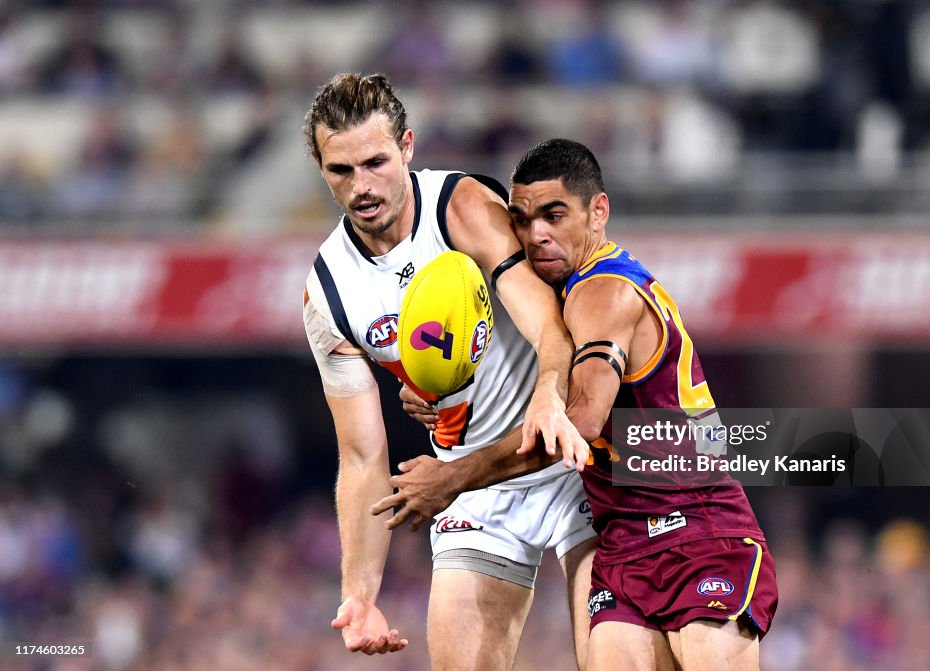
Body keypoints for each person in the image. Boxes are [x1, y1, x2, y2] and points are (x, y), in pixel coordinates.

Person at [385, 139, 778, 671]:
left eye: (554, 215)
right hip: (622, 544)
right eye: (521, 220)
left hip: (697, 529)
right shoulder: (560, 293)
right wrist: (438, 388)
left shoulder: (603, 291)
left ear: (599, 211)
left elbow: (575, 426)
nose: (535, 234)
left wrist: (454, 477)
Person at [300, 74, 596, 670]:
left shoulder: (460, 208)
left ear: (407, 147)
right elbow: (361, 457)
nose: (362, 186)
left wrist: (545, 397)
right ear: (320, 166)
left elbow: (549, 326)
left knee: (614, 660)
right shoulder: (328, 295)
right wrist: (359, 595)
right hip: (473, 481)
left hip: (569, 458)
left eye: (376, 162)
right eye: (341, 170)